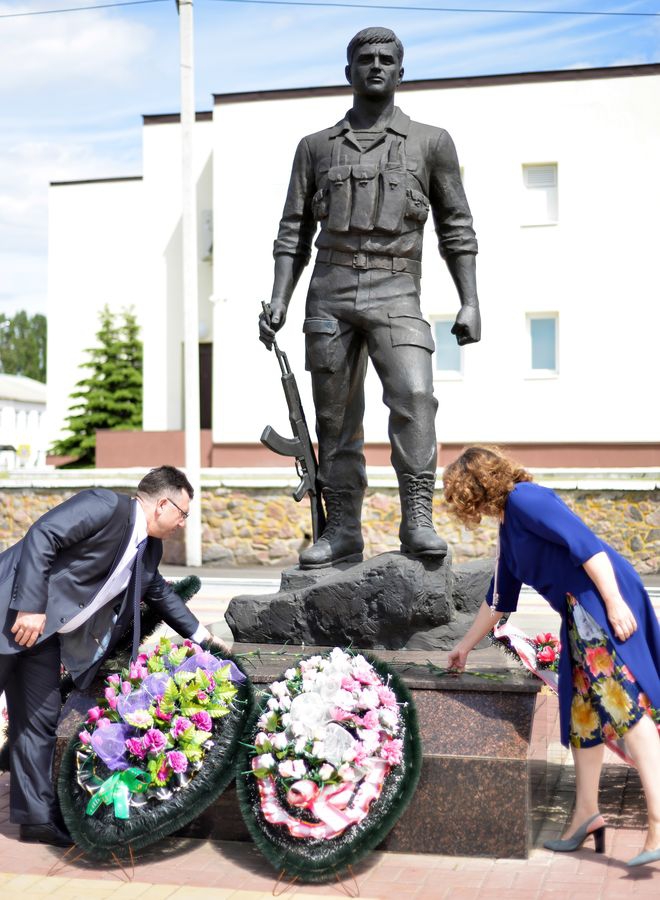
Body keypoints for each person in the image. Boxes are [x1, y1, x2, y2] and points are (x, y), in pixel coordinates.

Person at [259, 26, 481, 569]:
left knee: (414, 399)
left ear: (401, 72)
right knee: (335, 421)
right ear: (349, 72)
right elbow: (292, 233)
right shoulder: (314, 148)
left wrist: (469, 300)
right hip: (329, 294)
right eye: (365, 59)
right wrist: (279, 298)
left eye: (386, 59)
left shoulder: (432, 142)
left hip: (398, 287)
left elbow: (457, 227)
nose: (375, 66)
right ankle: (342, 531)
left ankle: (418, 520)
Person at [443, 446, 660, 867]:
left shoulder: (527, 498)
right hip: (579, 615)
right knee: (582, 715)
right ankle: (585, 815)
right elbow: (499, 600)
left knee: (627, 711)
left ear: (476, 485)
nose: (461, 506)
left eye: (460, 494)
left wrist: (614, 604)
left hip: (598, 605)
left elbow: (587, 546)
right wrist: (464, 647)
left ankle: (659, 820)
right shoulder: (509, 526)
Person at [0, 465, 227, 847]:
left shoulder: (148, 548)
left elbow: (159, 593)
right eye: (183, 514)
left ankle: (34, 818)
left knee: (38, 720)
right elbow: (43, 536)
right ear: (162, 505)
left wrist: (205, 639)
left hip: (44, 636)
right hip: (11, 612)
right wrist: (31, 607)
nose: (183, 524)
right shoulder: (104, 506)